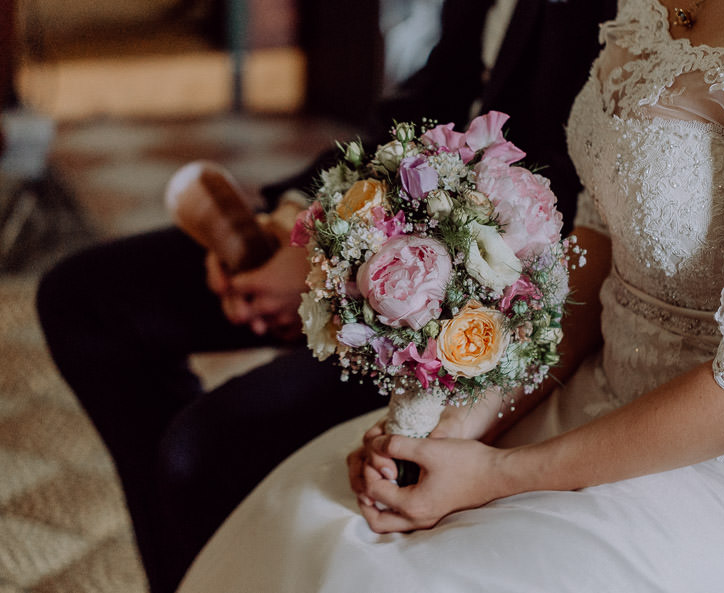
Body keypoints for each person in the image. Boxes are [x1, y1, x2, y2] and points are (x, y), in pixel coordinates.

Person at [173, 0, 724, 591]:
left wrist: (499, 474)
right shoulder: (651, 7)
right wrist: (465, 420)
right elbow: (596, 251)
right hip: (600, 390)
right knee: (316, 516)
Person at [35, 1, 615, 592]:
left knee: (204, 450)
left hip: (484, 304)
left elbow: (579, 202)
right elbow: (431, 98)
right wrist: (294, 220)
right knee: (85, 299)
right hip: (384, 230)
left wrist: (338, 272)